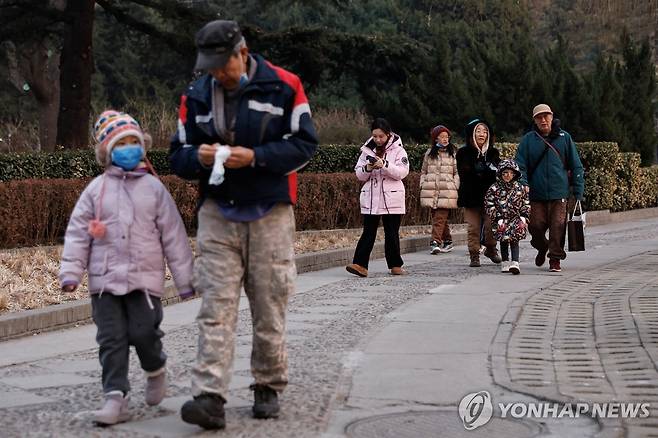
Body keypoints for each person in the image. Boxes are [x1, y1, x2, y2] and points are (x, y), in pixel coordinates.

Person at [169, 20, 318, 430]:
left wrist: (254, 157)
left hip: (270, 210)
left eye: (223, 65)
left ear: (242, 53)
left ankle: (267, 384)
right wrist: (196, 156)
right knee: (215, 306)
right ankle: (209, 395)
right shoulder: (196, 95)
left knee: (270, 303)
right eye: (210, 66)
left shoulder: (284, 86)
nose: (218, 73)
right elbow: (175, 155)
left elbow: (305, 146)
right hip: (217, 212)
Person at [59, 110, 194, 426]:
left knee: (144, 332)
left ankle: (155, 368)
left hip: (144, 281)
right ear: (108, 151)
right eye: (122, 143)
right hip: (104, 282)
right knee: (111, 340)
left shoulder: (154, 189)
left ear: (143, 147)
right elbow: (79, 232)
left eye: (135, 142)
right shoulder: (96, 190)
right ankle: (115, 397)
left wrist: (185, 278)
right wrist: (71, 272)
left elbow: (173, 235)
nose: (129, 148)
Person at [515, 104, 584, 272]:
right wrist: (523, 183)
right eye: (539, 117)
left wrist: (578, 191)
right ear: (535, 121)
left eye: (546, 116)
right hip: (535, 193)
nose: (543, 120)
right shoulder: (528, 140)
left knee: (558, 226)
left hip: (559, 191)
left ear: (552, 117)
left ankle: (555, 258)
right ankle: (542, 246)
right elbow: (519, 165)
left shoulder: (564, 137)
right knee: (535, 226)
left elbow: (576, 165)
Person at [345, 118, 409, 277]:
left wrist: (385, 165)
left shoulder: (399, 150)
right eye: (375, 136)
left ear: (388, 135)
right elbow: (359, 174)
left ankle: (395, 265)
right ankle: (360, 264)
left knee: (391, 232)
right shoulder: (366, 150)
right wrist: (367, 167)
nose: (378, 140)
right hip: (371, 197)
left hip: (392, 198)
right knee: (368, 231)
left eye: (381, 136)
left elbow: (402, 172)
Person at [456, 118, 502, 267]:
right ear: (472, 134)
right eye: (478, 131)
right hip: (470, 197)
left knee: (491, 227)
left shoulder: (493, 153)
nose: (481, 134)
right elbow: (464, 173)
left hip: (490, 198)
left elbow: (497, 173)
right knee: (473, 228)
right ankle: (474, 254)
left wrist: (483, 171)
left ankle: (491, 248)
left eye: (485, 131)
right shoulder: (463, 153)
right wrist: (482, 171)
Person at [485, 159, 531, 274]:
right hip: (501, 219)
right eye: (505, 173)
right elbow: (489, 203)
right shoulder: (494, 188)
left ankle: (515, 262)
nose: (508, 175)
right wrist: (497, 217)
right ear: (500, 173)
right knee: (503, 240)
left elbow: (526, 202)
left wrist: (524, 216)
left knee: (515, 240)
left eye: (511, 173)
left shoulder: (519, 188)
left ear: (515, 174)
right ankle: (505, 261)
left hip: (516, 218)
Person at [419, 125, 459, 254]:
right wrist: (422, 183)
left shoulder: (453, 153)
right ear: (436, 138)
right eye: (442, 137)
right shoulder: (429, 153)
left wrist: (455, 185)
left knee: (439, 217)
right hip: (431, 190)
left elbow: (457, 172)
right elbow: (423, 171)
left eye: (447, 137)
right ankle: (448, 241)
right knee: (439, 217)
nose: (445, 139)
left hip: (447, 190)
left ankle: (435, 242)